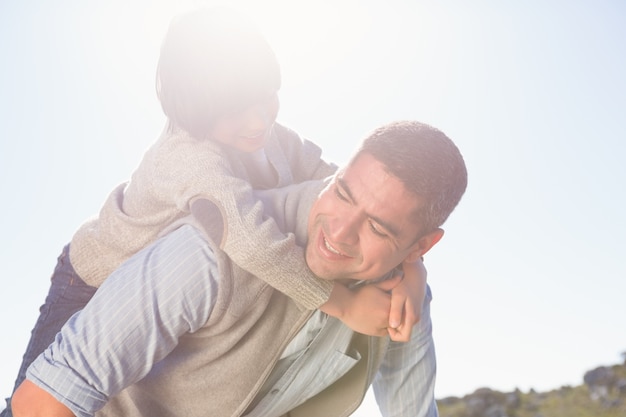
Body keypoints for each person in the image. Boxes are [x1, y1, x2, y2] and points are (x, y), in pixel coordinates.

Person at [12, 120, 468, 417]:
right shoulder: (208, 254)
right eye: (343, 194)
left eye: (377, 227)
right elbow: (44, 401)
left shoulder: (401, 298)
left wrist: (414, 272)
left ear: (421, 246)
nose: (340, 233)